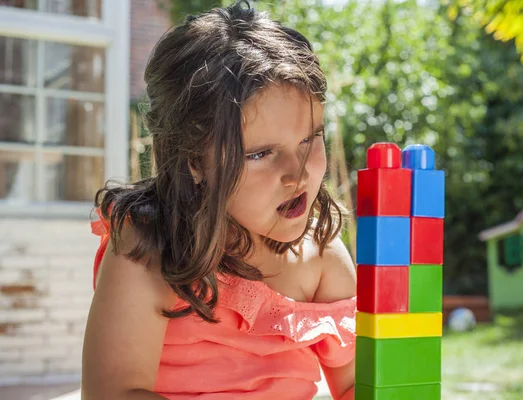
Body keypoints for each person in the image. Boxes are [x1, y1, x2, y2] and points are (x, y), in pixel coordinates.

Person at [81, 1, 357, 399]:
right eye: (261, 153)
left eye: (309, 138)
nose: (296, 173)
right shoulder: (147, 248)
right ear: (195, 160)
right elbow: (114, 392)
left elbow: (359, 384)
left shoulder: (322, 256)